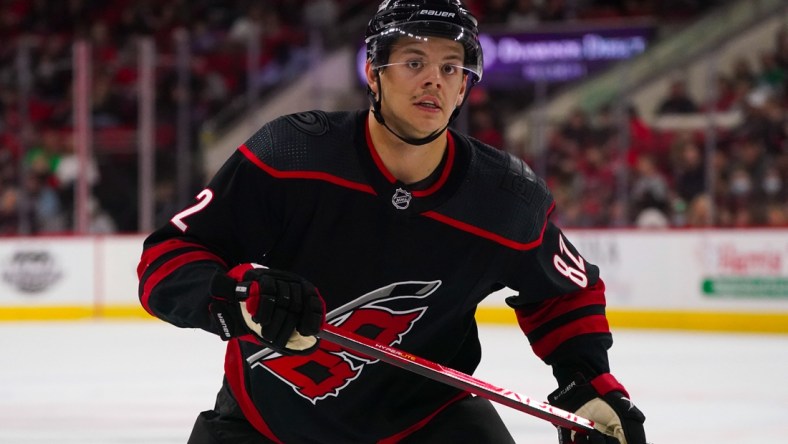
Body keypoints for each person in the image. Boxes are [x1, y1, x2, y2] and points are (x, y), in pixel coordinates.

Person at [137, 1, 648, 443]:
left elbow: (563, 291)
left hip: (425, 424)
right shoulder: (290, 157)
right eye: (414, 61)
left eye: (453, 67)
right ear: (373, 71)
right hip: (265, 424)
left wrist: (588, 380)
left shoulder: (505, 198)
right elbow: (167, 259)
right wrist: (237, 298)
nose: (435, 79)